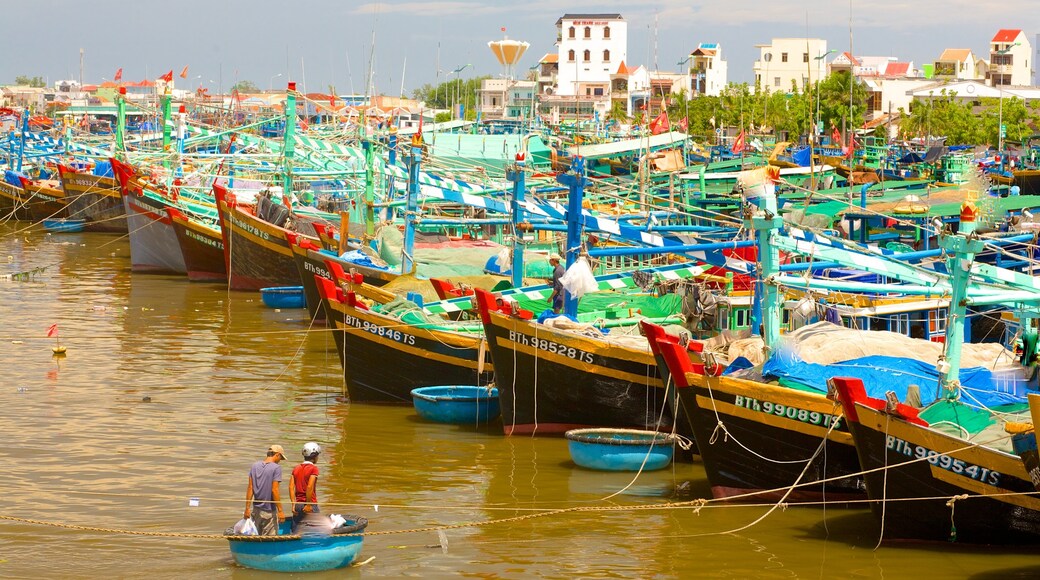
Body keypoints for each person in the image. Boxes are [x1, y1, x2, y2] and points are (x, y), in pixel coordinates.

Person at [244, 445, 287, 536]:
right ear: (277, 455)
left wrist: (247, 508)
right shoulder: (276, 468)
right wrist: (280, 511)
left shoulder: (255, 466)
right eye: (280, 458)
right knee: (270, 540)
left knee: (257, 538)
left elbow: (250, 488)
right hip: (269, 511)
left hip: (256, 510)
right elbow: (274, 490)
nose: (279, 461)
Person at [289, 442, 322, 524]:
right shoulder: (314, 468)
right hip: (310, 504)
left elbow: (291, 487)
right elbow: (309, 486)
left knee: (296, 529)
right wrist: (308, 504)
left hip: (298, 504)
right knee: (314, 531)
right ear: (314, 456)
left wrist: (293, 504)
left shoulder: (296, 468)